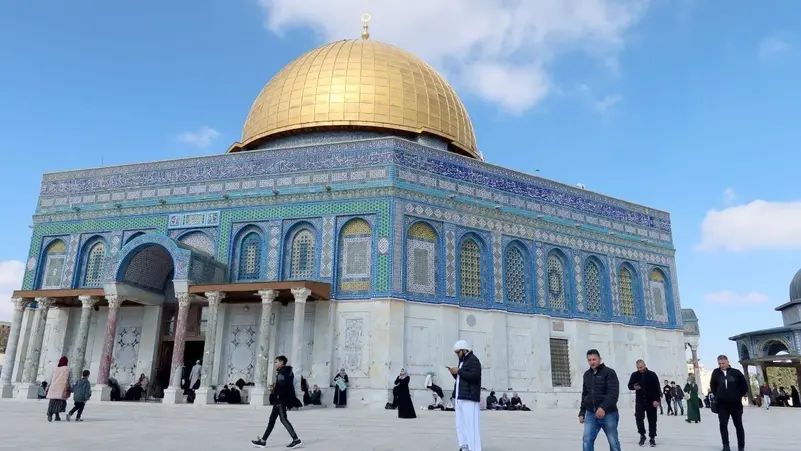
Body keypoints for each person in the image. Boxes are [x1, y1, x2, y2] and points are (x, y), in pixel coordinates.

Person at [250, 356, 302, 449]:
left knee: (283, 419)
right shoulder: (287, 373)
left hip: (279, 400)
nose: (275, 364)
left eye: (276, 362)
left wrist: (274, 391)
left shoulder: (282, 373)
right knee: (272, 420)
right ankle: (263, 441)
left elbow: (282, 388)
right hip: (279, 400)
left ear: (282, 362)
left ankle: (296, 440)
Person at [579, 349, 620, 451]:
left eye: (594, 359)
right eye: (589, 360)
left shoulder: (609, 372)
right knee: (587, 440)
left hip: (608, 414)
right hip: (591, 414)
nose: (592, 362)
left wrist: (603, 408)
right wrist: (582, 412)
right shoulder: (587, 375)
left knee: (613, 441)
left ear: (599, 359)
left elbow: (613, 393)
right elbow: (585, 395)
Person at [709, 354, 748, 451]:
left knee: (738, 425)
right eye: (719, 363)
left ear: (728, 362)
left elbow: (744, 386)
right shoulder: (716, 373)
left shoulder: (736, 372)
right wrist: (718, 395)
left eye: (723, 363)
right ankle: (726, 446)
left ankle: (741, 447)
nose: (721, 365)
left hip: (735, 404)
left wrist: (737, 395)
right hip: (722, 404)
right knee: (723, 424)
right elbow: (713, 385)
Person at [449, 340, 482, 451]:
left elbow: (474, 377)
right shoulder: (462, 361)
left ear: (464, 350)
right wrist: (455, 373)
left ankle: (474, 448)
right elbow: (462, 378)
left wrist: (459, 371)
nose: (457, 355)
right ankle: (464, 446)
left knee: (471, 425)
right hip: (460, 397)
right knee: (460, 424)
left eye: (458, 352)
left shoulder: (473, 360)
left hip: (469, 398)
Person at [627, 359, 660, 447]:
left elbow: (657, 388)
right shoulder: (634, 375)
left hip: (651, 401)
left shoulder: (652, 374)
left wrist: (657, 400)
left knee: (652, 420)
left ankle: (652, 437)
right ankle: (642, 435)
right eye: (638, 368)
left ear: (644, 365)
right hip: (640, 401)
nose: (640, 369)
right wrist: (634, 387)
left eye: (641, 367)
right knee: (638, 418)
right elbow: (630, 385)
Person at [46, 356, 72, 422]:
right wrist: (70, 386)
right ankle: (53, 414)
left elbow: (50, 378)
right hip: (62, 387)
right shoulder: (68, 369)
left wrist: (48, 386)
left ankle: (53, 414)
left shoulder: (55, 368)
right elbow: (70, 379)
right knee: (59, 403)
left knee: (52, 402)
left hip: (53, 386)